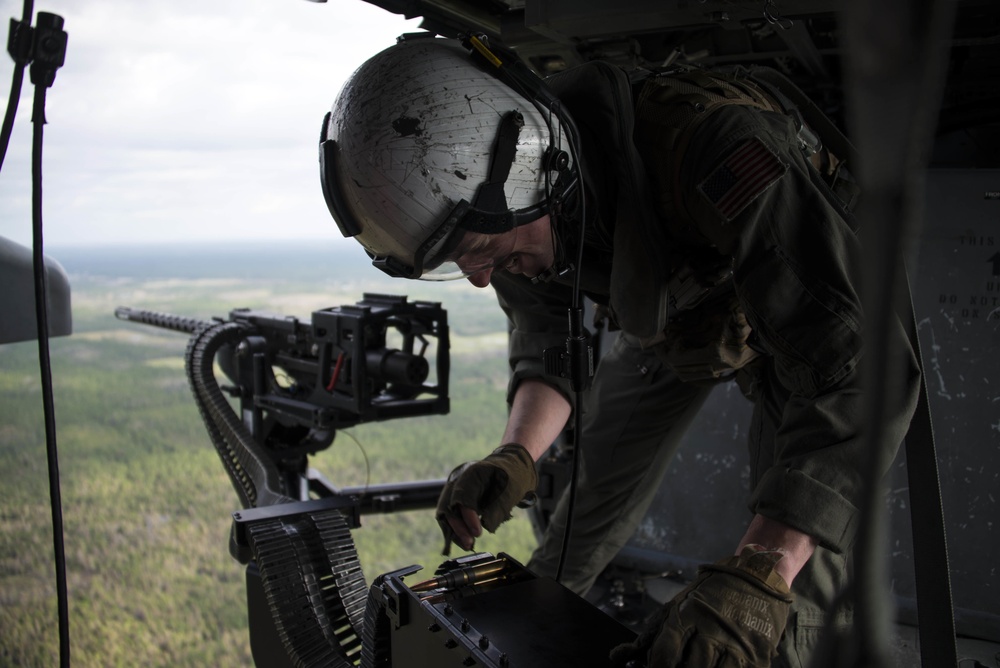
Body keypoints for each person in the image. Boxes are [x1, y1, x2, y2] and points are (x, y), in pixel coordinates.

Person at [319, 32, 920, 668]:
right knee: (584, 507)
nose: (480, 276)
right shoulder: (509, 215)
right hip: (672, 316)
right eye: (458, 260)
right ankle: (526, 636)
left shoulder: (718, 149)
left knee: (786, 579)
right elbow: (550, 345)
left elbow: (857, 369)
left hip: (797, 320)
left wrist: (758, 572)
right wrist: (517, 454)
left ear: (531, 163)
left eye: (479, 251)